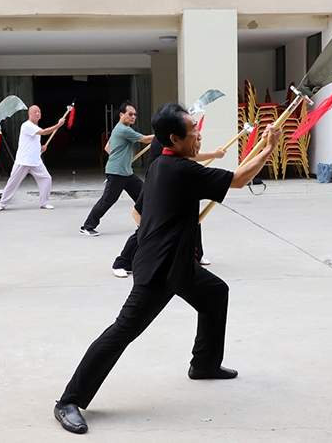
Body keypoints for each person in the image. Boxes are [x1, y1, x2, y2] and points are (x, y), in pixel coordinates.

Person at [54, 102, 279, 434]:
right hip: (159, 268)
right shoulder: (181, 170)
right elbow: (239, 179)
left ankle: (204, 364)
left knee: (215, 293)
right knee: (122, 332)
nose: (199, 135)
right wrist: (269, 148)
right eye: (193, 131)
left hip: (177, 261)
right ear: (174, 138)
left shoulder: (160, 165)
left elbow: (138, 214)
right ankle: (68, 401)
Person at [111, 135, 225, 277]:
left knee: (192, 218)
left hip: (177, 181)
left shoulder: (178, 138)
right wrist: (214, 154)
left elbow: (189, 156)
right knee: (148, 224)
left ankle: (196, 255)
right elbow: (191, 156)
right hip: (158, 183)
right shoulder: (165, 138)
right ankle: (122, 262)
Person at [79, 101, 153, 236]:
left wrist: (120, 157)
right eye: (130, 114)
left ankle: (148, 224)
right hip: (118, 172)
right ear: (121, 115)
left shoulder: (118, 129)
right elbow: (146, 139)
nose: (133, 117)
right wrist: (163, 134)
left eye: (135, 115)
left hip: (126, 172)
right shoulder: (124, 130)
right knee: (108, 200)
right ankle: (87, 226)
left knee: (143, 195)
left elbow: (108, 148)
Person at [0, 105, 65, 212]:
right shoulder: (26, 125)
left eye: (39, 112)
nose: (37, 114)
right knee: (13, 183)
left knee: (46, 179)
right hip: (23, 161)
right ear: (29, 114)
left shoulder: (35, 127)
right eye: (35, 112)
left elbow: (32, 142)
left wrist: (41, 148)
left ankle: (44, 202)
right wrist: (58, 125)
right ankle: (1, 204)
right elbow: (44, 132)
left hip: (35, 161)